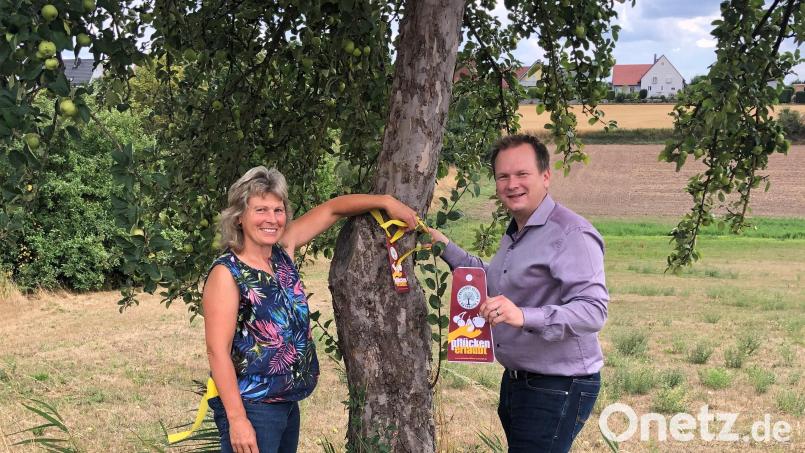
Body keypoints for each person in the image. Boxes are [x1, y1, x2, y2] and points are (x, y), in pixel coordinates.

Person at [203, 166, 417, 453]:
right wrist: (237, 419)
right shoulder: (227, 274)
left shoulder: (281, 251)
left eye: (278, 210)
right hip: (252, 407)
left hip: (287, 404)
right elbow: (217, 351)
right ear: (239, 217)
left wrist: (385, 202)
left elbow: (333, 210)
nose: (271, 219)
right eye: (260, 210)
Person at [429, 134, 608, 453]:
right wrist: (440, 243)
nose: (512, 184)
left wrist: (523, 316)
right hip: (519, 382)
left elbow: (593, 311)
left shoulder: (571, 233)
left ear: (545, 176)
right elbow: (494, 279)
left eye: (522, 174)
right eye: (503, 176)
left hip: (557, 385)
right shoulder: (518, 232)